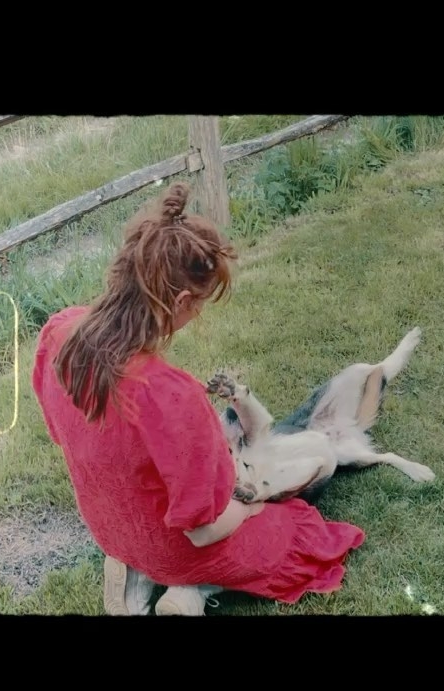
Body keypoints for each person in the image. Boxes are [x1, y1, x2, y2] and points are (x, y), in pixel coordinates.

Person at [31, 181, 365, 616]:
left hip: (110, 523)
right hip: (174, 546)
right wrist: (253, 506)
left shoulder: (59, 332)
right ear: (182, 300)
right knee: (291, 524)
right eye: (200, 304)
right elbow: (203, 532)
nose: (198, 314)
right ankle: (190, 587)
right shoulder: (168, 395)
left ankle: (141, 571)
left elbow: (65, 435)